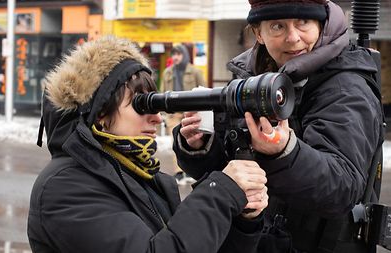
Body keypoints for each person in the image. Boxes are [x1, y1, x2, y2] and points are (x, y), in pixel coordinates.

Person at [172, 0, 385, 252]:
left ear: (321, 24)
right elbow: (229, 168)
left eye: (303, 23)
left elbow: (342, 188)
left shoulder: (346, 87)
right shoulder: (251, 79)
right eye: (278, 26)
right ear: (258, 33)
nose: (293, 38)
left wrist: (286, 151)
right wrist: (200, 144)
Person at [28, 36, 268, 253]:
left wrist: (242, 219)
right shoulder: (65, 188)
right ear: (100, 113)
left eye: (154, 106)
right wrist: (220, 193)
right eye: (140, 106)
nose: (156, 117)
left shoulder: (137, 174)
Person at [161, 44, 206, 185]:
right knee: (177, 142)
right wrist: (163, 113)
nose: (175, 57)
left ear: (185, 55)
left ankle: (193, 170)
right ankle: (179, 172)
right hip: (173, 114)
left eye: (178, 54)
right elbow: (162, 92)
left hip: (190, 113)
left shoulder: (195, 71)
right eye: (173, 54)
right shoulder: (167, 72)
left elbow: (203, 90)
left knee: (193, 141)